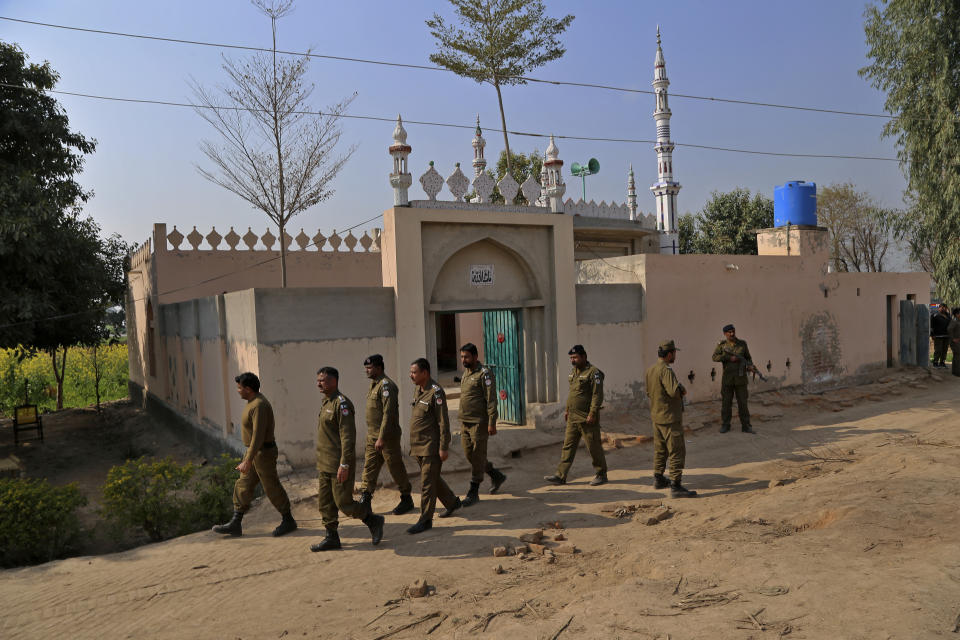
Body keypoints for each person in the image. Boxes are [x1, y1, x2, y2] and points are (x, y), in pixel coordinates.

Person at [213, 372, 297, 537]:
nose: (238, 391)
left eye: (240, 388)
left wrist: (248, 459)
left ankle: (288, 520)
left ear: (248, 389)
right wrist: (249, 457)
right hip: (254, 452)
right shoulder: (252, 402)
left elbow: (258, 436)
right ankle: (236, 523)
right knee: (243, 484)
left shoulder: (259, 405)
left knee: (271, 486)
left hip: (262, 452)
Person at [310, 366, 385, 552]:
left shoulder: (341, 404)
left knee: (344, 503)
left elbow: (348, 438)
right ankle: (331, 537)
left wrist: (344, 464)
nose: (319, 383)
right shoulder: (326, 402)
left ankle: (372, 520)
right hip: (325, 464)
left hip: (339, 465)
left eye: (323, 380)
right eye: (318, 380)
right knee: (325, 504)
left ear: (334, 381)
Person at [406, 358, 461, 534]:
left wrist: (444, 446)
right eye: (411, 372)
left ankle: (425, 520)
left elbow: (443, 422)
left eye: (414, 372)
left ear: (425, 373)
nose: (411, 375)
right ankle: (452, 502)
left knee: (427, 484)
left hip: (431, 446)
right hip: (418, 446)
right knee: (433, 478)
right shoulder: (418, 389)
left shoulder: (436, 392)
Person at [358, 354, 414, 516]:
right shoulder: (374, 385)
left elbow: (388, 414)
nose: (367, 371)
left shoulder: (386, 386)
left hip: (387, 437)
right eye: (366, 368)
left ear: (379, 368)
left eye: (370, 368)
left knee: (395, 468)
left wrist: (382, 437)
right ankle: (365, 500)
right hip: (373, 436)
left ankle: (406, 498)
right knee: (369, 468)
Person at [544, 345, 608, 486]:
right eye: (571, 358)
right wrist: (567, 410)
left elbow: (597, 396)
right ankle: (561, 476)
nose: (573, 360)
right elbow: (573, 393)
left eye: (575, 357)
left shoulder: (594, 373)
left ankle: (601, 474)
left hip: (587, 418)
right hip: (573, 417)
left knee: (593, 447)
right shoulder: (573, 373)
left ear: (584, 357)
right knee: (568, 446)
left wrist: (592, 413)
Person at [645, 341, 696, 498]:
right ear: (669, 354)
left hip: (657, 416)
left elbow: (648, 392)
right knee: (677, 450)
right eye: (674, 353)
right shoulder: (666, 370)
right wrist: (682, 389)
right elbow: (674, 391)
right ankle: (676, 485)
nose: (675, 356)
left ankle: (658, 478)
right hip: (669, 418)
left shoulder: (651, 370)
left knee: (660, 449)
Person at [457, 343, 507, 506]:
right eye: (462, 356)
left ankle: (474, 490)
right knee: (470, 455)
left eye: (467, 357)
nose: (463, 359)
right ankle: (495, 474)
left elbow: (491, 399)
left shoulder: (484, 374)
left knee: (478, 454)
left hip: (479, 422)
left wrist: (492, 422)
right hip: (465, 421)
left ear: (475, 357)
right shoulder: (466, 373)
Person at [711, 324, 757, 434]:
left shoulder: (742, 344)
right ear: (725, 334)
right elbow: (714, 357)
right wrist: (728, 358)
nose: (732, 334)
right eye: (729, 332)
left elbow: (748, 358)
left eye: (733, 331)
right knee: (726, 404)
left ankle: (746, 426)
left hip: (741, 379)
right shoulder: (721, 345)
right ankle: (725, 425)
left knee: (743, 403)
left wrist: (750, 366)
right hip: (727, 379)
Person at [931, 303, 952, 368]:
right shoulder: (935, 315)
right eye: (942, 307)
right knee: (938, 350)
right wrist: (932, 335)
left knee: (944, 350)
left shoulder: (948, 316)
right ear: (939, 308)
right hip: (938, 336)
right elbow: (931, 326)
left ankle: (942, 362)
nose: (943, 309)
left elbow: (950, 325)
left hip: (946, 336)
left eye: (945, 308)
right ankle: (935, 362)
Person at [949, 307, 960, 377]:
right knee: (957, 356)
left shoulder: (958, 321)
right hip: (955, 342)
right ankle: (957, 372)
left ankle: (955, 371)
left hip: (958, 341)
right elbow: (949, 329)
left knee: (957, 356)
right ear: (957, 314)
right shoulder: (954, 321)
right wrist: (953, 339)